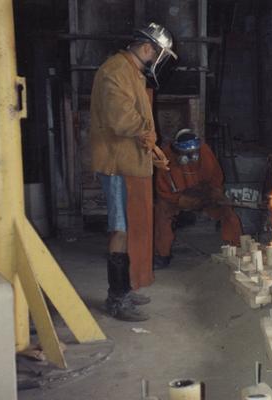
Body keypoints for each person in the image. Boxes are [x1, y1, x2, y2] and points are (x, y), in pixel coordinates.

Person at [90, 22, 176, 321]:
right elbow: (122, 118)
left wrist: (153, 152)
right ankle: (116, 298)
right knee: (119, 228)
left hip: (128, 159)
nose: (157, 62)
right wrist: (149, 140)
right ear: (147, 48)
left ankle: (124, 289)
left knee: (126, 226)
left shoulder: (132, 72)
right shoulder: (116, 70)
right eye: (158, 55)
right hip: (116, 162)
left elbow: (139, 122)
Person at [153, 129, 243, 268]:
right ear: (177, 151)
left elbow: (216, 178)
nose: (190, 157)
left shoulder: (204, 152)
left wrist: (216, 194)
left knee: (227, 212)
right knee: (161, 213)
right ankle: (162, 255)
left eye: (193, 153)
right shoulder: (164, 157)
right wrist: (181, 200)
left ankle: (235, 248)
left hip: (203, 192)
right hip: (177, 197)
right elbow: (163, 190)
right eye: (185, 154)